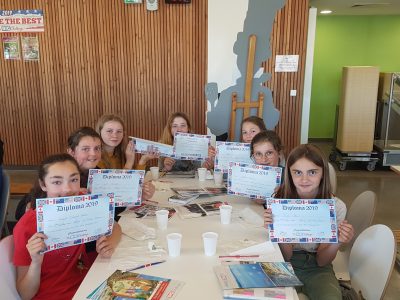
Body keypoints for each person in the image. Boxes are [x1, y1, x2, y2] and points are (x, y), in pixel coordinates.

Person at [13, 153, 121, 300]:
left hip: (92, 285)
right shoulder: (26, 226)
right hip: (55, 295)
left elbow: (115, 227)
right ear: (43, 185)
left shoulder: (84, 201)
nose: (67, 189)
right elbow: (25, 294)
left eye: (74, 180)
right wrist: (36, 263)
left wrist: (109, 244)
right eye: (57, 182)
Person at [264, 144, 354, 300]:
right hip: (285, 262)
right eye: (297, 172)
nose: (304, 179)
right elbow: (285, 256)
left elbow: (322, 261)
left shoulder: (336, 207)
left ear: (322, 174)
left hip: (318, 268)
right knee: (266, 295)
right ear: (289, 174)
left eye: (312, 172)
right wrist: (277, 231)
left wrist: (338, 241)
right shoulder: (279, 203)